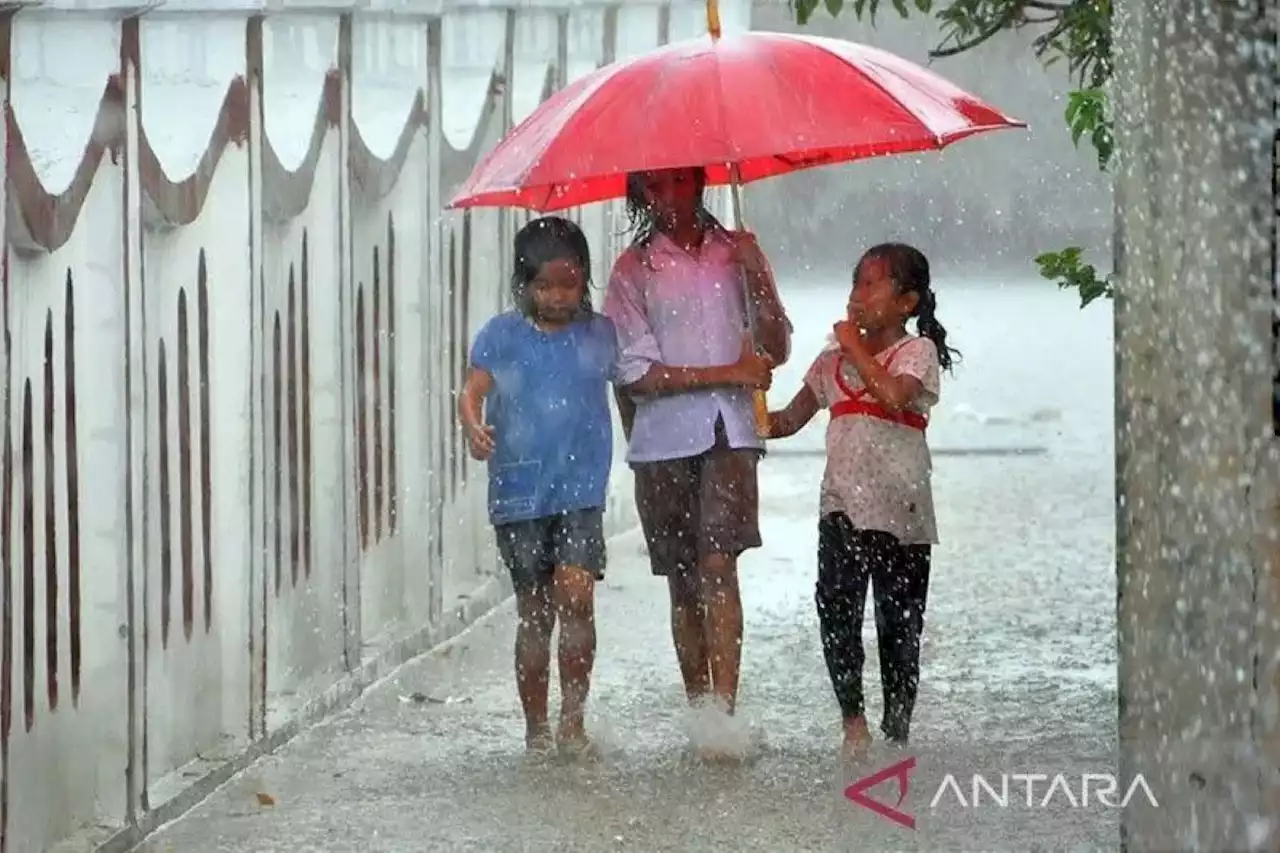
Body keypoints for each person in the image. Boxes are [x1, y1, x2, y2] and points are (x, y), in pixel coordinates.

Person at [603, 167, 791, 743]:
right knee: (683, 580)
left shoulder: (737, 255)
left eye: (679, 183)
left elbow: (776, 347)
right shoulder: (633, 271)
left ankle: (726, 714)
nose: (668, 199)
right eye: (654, 189)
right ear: (642, 195)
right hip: (661, 441)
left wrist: (758, 276)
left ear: (701, 181)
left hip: (729, 434)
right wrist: (725, 372)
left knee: (718, 566)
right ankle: (699, 709)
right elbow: (635, 373)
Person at [766, 243, 957, 757]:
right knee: (838, 613)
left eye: (873, 285)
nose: (858, 296)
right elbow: (784, 422)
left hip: (900, 513)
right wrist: (750, 390)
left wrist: (854, 346)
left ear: (907, 302)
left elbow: (895, 396)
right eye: (856, 284)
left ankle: (897, 728)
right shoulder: (829, 363)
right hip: (842, 508)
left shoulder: (917, 353)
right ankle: (853, 720)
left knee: (900, 625)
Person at [458, 216, 618, 759]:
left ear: (585, 281)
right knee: (534, 609)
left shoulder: (600, 334)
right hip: (519, 491)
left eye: (568, 285)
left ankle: (573, 720)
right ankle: (536, 729)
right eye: (543, 286)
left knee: (576, 596)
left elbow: (631, 389)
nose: (555, 296)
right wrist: (474, 427)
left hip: (580, 489)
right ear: (522, 284)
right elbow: (472, 391)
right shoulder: (501, 335)